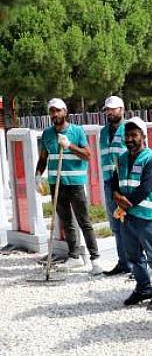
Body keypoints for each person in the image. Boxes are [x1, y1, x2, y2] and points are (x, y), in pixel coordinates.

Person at [35, 98, 102, 275]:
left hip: (75, 184)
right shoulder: (47, 134)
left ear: (65, 112)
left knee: (84, 221)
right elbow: (43, 158)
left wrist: (69, 145)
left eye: (58, 111)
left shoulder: (77, 131)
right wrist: (37, 176)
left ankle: (95, 259)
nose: (55, 114)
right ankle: (74, 256)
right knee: (66, 221)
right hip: (56, 183)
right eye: (52, 111)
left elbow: (87, 155)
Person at [111, 117, 152, 310]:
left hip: (145, 217)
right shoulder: (122, 159)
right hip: (127, 216)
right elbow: (114, 182)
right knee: (134, 256)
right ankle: (143, 288)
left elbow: (146, 187)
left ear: (143, 136)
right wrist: (117, 196)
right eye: (127, 135)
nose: (130, 139)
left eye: (134, 135)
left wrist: (126, 203)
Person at [99, 96, 130, 276]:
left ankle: (136, 264)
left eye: (114, 109)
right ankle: (123, 262)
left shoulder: (129, 129)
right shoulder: (103, 132)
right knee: (116, 225)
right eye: (108, 109)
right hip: (109, 182)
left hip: (125, 182)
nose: (110, 112)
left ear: (122, 109)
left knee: (129, 224)